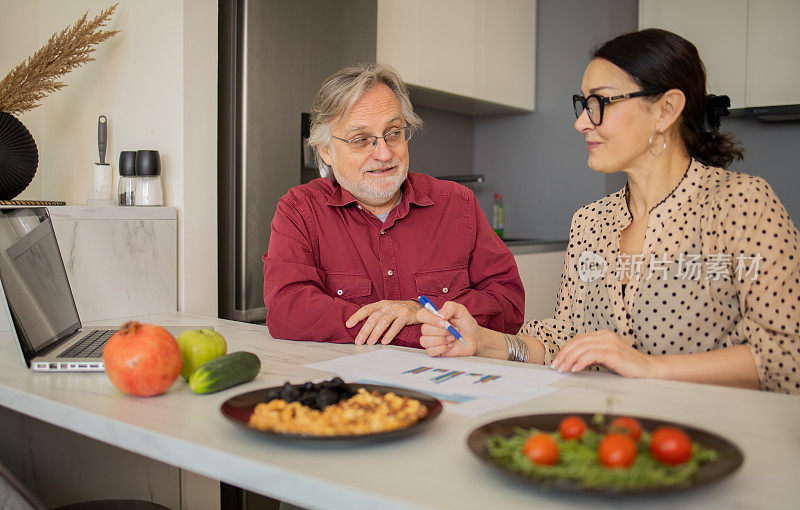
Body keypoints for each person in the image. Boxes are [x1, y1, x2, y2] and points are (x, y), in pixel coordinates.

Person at [417, 28, 800, 394]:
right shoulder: (590, 221)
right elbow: (563, 339)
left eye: (599, 102)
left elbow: (788, 357)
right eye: (583, 104)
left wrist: (649, 368)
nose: (581, 122)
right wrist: (482, 341)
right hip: (606, 433)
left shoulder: (741, 204)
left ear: (666, 109)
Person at [263, 63, 524, 348]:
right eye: (361, 140)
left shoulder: (458, 203)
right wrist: (420, 330)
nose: (384, 153)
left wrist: (419, 311)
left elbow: (508, 303)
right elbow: (288, 311)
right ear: (326, 150)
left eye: (394, 133)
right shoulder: (299, 210)